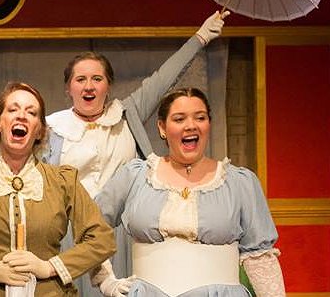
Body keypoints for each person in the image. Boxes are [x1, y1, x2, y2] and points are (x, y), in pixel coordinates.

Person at [42, 10, 230, 293]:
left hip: (121, 235)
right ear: (69, 88)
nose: (89, 86)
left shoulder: (127, 114)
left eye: (97, 78)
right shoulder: (50, 128)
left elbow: (163, 78)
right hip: (70, 234)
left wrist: (200, 37)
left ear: (108, 85)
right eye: (80, 79)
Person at [0, 82, 116, 296]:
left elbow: (102, 239)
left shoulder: (63, 181)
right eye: (13, 109)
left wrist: (50, 267)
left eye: (31, 112)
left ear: (39, 131)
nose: (22, 116)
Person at [93, 87, 285, 297]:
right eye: (179, 119)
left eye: (200, 117)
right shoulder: (135, 176)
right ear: (162, 127)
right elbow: (90, 226)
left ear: (208, 124)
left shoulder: (240, 183)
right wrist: (106, 281)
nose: (191, 125)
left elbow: (260, 258)